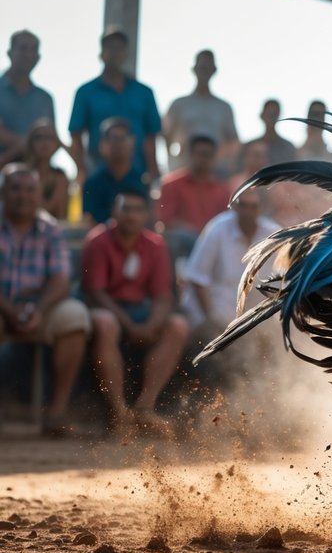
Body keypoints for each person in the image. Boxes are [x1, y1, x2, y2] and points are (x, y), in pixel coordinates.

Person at [82, 190, 188, 435]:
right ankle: (119, 411)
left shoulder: (155, 244)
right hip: (106, 308)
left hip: (141, 310)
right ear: (114, 212)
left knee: (178, 326)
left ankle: (144, 408)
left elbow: (163, 295)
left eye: (137, 210)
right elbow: (96, 293)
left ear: (146, 214)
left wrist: (151, 324)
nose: (131, 215)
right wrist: (130, 325)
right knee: (106, 323)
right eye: (126, 209)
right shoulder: (97, 241)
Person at [0, 164, 90, 435]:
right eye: (15, 189)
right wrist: (10, 311)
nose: (23, 196)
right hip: (2, 308)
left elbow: (61, 279)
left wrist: (38, 310)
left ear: (39, 195)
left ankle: (56, 413)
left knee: (75, 316)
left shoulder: (50, 228)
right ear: (3, 192)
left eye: (30, 190)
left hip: (39, 308)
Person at [67, 29, 161, 186]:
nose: (115, 53)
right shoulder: (85, 92)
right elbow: (76, 135)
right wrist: (81, 170)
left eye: (119, 48)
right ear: (101, 54)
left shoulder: (144, 92)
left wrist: (153, 173)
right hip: (97, 175)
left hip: (137, 176)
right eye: (110, 47)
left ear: (126, 54)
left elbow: (151, 136)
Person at [182, 188, 280, 331]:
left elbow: (283, 282)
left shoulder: (274, 234)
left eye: (253, 207)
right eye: (243, 206)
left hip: (252, 321)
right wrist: (210, 320)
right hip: (211, 316)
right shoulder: (217, 228)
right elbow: (198, 279)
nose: (248, 212)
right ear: (235, 207)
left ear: (262, 208)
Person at [161, 50, 239, 172]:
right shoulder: (179, 104)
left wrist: (225, 163)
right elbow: (165, 134)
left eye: (208, 68)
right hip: (183, 170)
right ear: (194, 69)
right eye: (202, 67)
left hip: (215, 174)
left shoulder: (224, 108)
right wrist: (171, 160)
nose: (204, 71)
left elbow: (234, 141)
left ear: (214, 70)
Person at [156, 135, 230, 259]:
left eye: (208, 155)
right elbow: (166, 220)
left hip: (213, 245)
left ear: (214, 158)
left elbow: (227, 223)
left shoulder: (222, 190)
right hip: (183, 246)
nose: (203, 159)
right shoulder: (172, 184)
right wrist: (197, 232)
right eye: (200, 154)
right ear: (190, 155)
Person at [0, 30, 56, 166]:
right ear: (9, 53)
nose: (28, 54)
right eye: (23, 48)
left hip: (35, 174)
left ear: (38, 57)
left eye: (33, 50)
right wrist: (32, 144)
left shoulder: (45, 99)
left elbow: (51, 138)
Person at [82, 118, 149, 225]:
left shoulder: (144, 182)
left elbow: (149, 223)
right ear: (102, 145)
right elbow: (89, 221)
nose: (119, 144)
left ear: (133, 142)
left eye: (123, 138)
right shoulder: (92, 184)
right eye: (113, 138)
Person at [23, 120, 70, 221]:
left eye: (50, 138)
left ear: (57, 144)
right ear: (31, 143)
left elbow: (61, 215)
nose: (45, 142)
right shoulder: (21, 175)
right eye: (39, 137)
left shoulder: (60, 176)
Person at [242, 99, 297, 168]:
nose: (271, 118)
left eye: (274, 115)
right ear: (262, 116)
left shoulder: (288, 147)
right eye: (269, 114)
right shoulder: (250, 147)